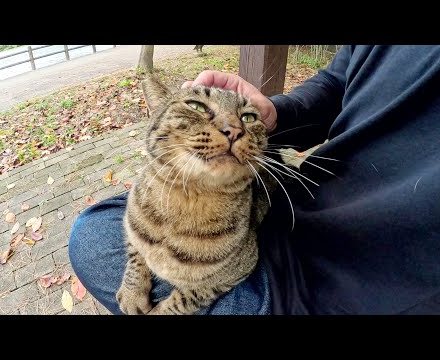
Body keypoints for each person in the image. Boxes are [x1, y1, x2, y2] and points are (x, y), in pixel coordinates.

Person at [68, 45, 440, 314]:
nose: (230, 128)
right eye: (198, 108)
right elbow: (338, 81)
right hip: (307, 202)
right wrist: (271, 111)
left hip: (349, 283)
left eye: (245, 119)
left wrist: (177, 307)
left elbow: (237, 266)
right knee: (89, 233)